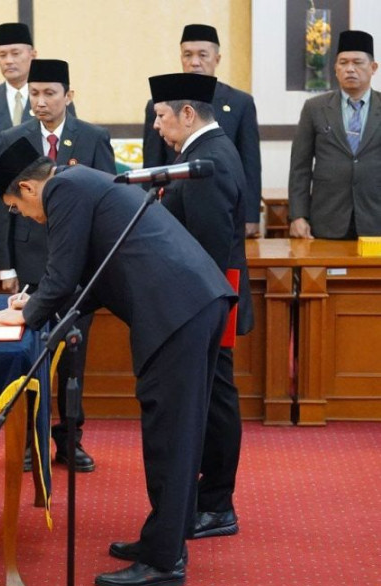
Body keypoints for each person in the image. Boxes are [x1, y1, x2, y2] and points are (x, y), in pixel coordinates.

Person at [0, 137, 235, 586]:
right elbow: (87, 279)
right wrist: (39, 301)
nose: (25, 218)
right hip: (189, 305)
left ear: (27, 187)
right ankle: (162, 540)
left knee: (171, 436)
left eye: (16, 208)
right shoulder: (81, 183)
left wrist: (26, 311)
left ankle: (165, 560)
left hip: (179, 310)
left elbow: (62, 278)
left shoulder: (65, 189)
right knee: (169, 431)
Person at [150, 72, 254, 540]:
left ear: (187, 114)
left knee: (214, 400)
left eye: (160, 115)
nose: (156, 126)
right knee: (213, 396)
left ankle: (217, 505)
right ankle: (210, 500)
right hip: (208, 298)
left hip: (211, 298)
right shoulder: (200, 152)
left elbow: (208, 248)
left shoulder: (208, 160)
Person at [0, 58, 115, 472]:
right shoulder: (16, 138)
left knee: (72, 362)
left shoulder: (93, 137)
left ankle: (70, 441)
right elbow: (5, 209)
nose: (41, 102)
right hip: (31, 266)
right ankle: (31, 442)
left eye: (50, 93)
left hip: (80, 271)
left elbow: (108, 203)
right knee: (31, 360)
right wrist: (6, 267)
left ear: (69, 95)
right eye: (34, 94)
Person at [142, 24, 262, 238]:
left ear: (217, 59)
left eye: (202, 55)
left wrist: (251, 216)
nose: (194, 62)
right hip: (173, 205)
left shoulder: (240, 102)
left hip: (221, 207)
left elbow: (250, 163)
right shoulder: (161, 105)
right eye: (188, 55)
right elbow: (152, 164)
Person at [0, 23, 75, 242]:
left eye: (16, 53)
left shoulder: (54, 99)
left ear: (32, 54)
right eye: (2, 55)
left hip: (46, 213)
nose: (9, 60)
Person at [289, 30, 381, 240]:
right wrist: (298, 216)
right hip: (328, 218)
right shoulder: (315, 108)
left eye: (358, 62)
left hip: (376, 218)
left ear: (373, 67)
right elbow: (300, 167)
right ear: (335, 68)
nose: (350, 69)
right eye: (343, 62)